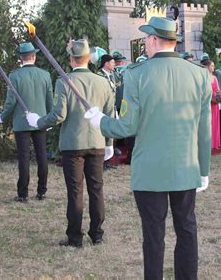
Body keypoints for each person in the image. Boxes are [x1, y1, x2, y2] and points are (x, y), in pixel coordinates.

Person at [85, 16, 211, 279]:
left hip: (150, 172)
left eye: (146, 39)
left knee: (153, 235)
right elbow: (204, 130)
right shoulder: (199, 75)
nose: (145, 44)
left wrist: (101, 121)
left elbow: (127, 126)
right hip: (186, 168)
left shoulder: (135, 75)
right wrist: (204, 169)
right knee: (187, 229)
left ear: (155, 40)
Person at [26, 39, 115, 247]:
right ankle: (97, 234)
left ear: (71, 59)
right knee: (96, 190)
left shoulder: (64, 81)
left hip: (73, 144)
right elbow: (110, 116)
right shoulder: (103, 82)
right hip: (97, 141)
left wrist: (38, 122)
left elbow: (59, 115)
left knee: (75, 192)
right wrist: (109, 142)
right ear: (89, 59)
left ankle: (75, 237)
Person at [0, 42, 53, 203]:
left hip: (21, 123)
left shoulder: (14, 75)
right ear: (34, 56)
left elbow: (11, 102)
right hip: (41, 121)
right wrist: (49, 120)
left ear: (21, 57)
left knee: (24, 158)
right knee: (42, 157)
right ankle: (42, 191)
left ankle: (23, 194)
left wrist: (2, 116)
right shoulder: (45, 74)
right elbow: (50, 100)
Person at [97, 54, 120, 170]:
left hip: (112, 108)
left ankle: (108, 160)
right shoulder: (99, 76)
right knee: (103, 134)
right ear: (106, 63)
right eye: (112, 62)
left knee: (111, 134)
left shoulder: (112, 75)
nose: (114, 64)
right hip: (103, 109)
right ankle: (102, 161)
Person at [201, 54, 221, 149]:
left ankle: (215, 143)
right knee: (208, 123)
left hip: (215, 104)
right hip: (207, 103)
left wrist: (219, 98)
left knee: (215, 123)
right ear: (206, 67)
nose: (213, 67)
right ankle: (208, 143)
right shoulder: (203, 77)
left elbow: (217, 90)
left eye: (213, 66)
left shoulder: (215, 78)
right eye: (212, 66)